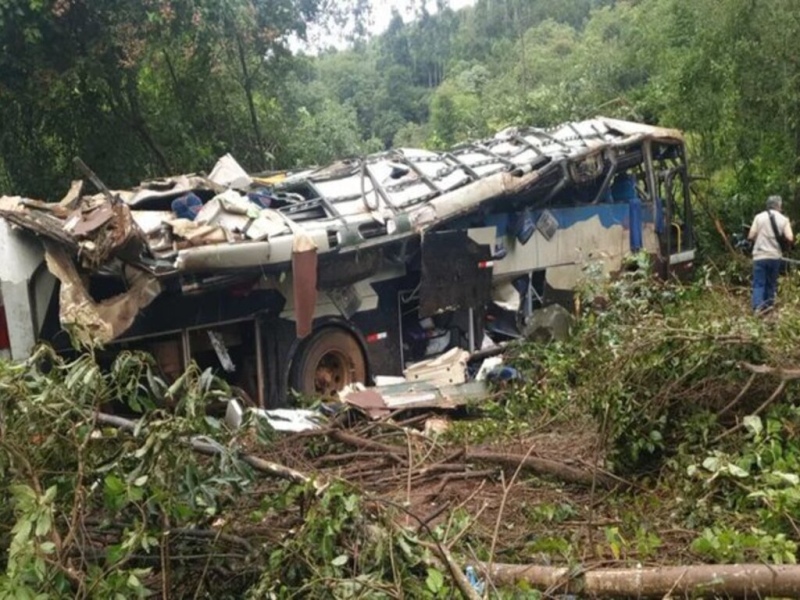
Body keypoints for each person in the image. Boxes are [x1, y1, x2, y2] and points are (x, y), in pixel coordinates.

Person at [748, 195, 794, 313]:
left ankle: (758, 307)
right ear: (779, 206)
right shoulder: (784, 219)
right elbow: (790, 237)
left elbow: (751, 236)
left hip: (760, 256)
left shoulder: (759, 217)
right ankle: (769, 307)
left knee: (759, 283)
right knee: (771, 283)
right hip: (775, 256)